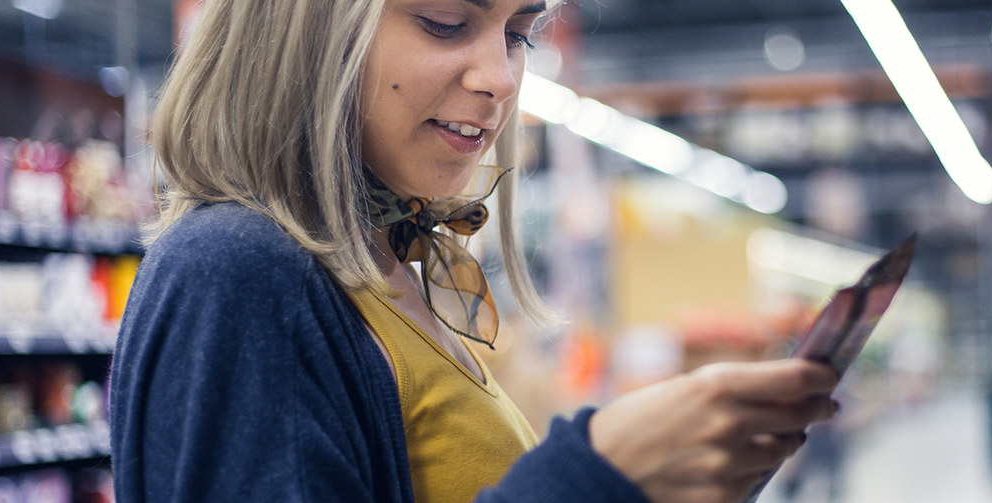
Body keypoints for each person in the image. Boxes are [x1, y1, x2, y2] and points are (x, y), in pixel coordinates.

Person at [108, 0, 841, 502]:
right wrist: (594, 474)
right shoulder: (236, 272)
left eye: (519, 33)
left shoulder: (385, 263)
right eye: (446, 22)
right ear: (308, 28)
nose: (501, 78)